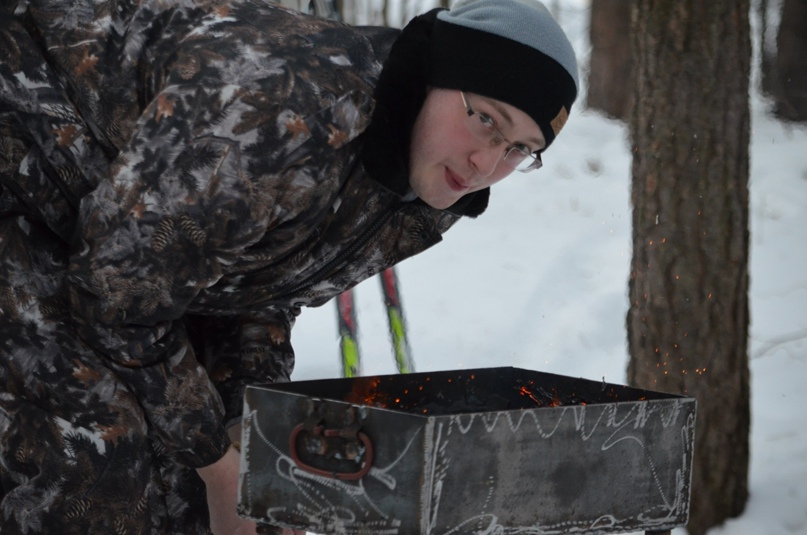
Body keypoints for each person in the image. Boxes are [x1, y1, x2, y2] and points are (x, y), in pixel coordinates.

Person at [0, 0, 578, 532]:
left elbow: (261, 288)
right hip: (26, 161)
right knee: (98, 460)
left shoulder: (433, 179)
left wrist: (246, 430)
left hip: (125, 238)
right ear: (435, 76)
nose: (487, 163)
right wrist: (217, 463)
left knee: (212, 486)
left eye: (520, 150)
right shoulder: (284, 107)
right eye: (486, 120)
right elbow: (117, 289)